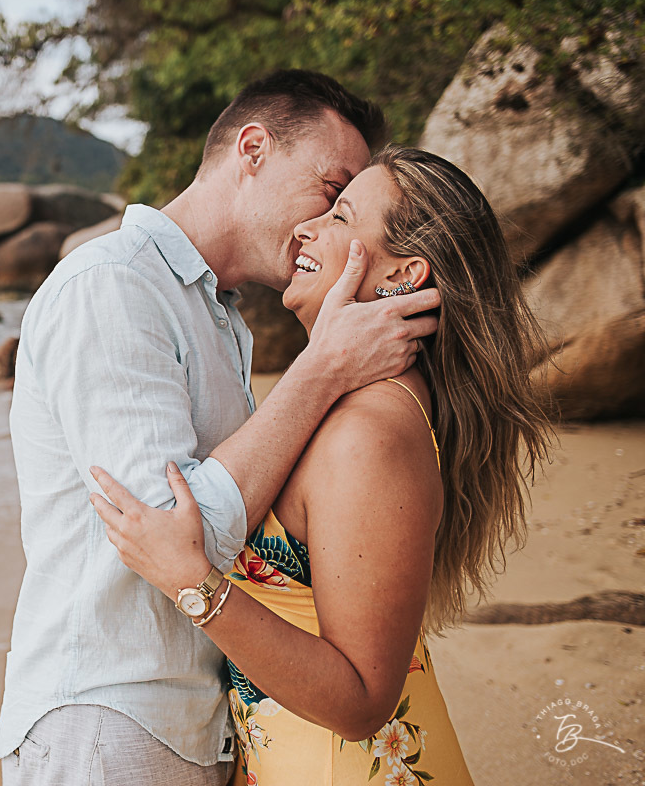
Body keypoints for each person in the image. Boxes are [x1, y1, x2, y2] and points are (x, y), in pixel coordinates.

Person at [0, 70, 443, 785]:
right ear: (254, 149)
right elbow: (164, 533)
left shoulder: (217, 315)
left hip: (196, 724)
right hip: (112, 718)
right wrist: (320, 368)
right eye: (331, 194)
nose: (317, 228)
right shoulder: (113, 287)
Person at [89, 145, 554, 784]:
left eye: (340, 216)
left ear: (402, 275)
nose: (307, 227)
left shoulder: (368, 433)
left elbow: (362, 698)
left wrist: (191, 583)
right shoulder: (345, 409)